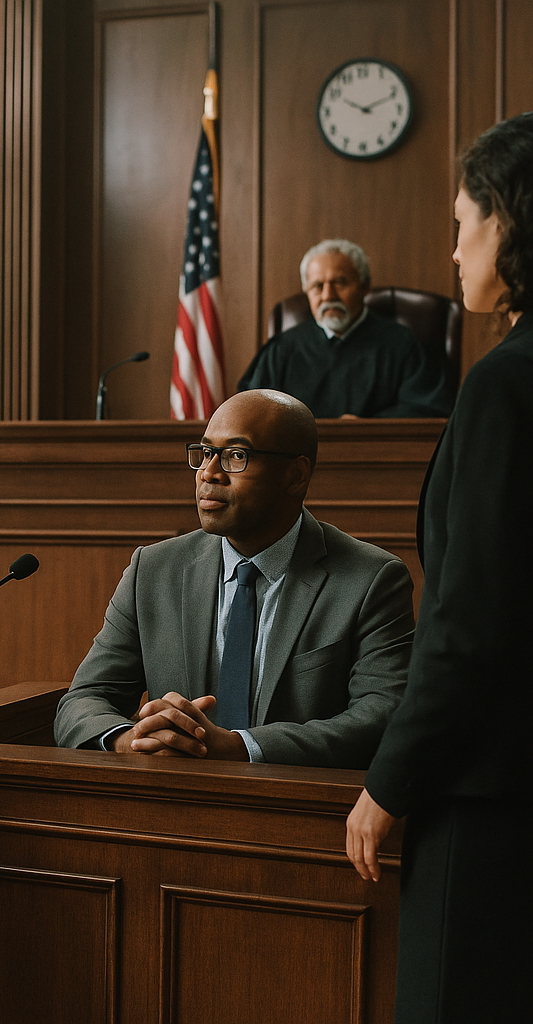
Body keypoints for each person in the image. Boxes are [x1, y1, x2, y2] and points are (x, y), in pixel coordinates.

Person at [346, 114, 533, 1023]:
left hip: (490, 794)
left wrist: (390, 782)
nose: (453, 250)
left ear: (514, 224)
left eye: (465, 222)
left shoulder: (506, 384)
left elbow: (470, 626)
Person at [55, 389, 414, 768]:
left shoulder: (372, 579)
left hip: (297, 812)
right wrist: (131, 740)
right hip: (169, 808)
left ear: (296, 475)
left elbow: (381, 718)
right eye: (206, 453)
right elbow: (84, 699)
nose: (209, 473)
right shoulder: (153, 569)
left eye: (236, 456)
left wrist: (242, 748)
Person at [238, 239, 455, 418]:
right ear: (306, 292)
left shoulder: (402, 344)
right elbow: (247, 412)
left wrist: (367, 426)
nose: (328, 296)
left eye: (340, 283)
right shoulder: (281, 349)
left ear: (364, 286)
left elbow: (430, 409)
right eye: (317, 286)